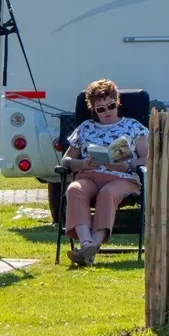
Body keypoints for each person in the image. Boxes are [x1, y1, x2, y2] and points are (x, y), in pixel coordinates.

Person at [60, 77, 148, 266]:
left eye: (111, 106)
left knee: (107, 193)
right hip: (89, 175)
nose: (107, 112)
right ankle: (87, 243)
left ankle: (92, 245)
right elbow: (66, 160)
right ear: (93, 109)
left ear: (117, 103)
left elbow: (147, 158)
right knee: (74, 189)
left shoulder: (133, 127)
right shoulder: (85, 128)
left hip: (122, 177)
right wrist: (82, 164)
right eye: (101, 109)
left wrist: (127, 166)